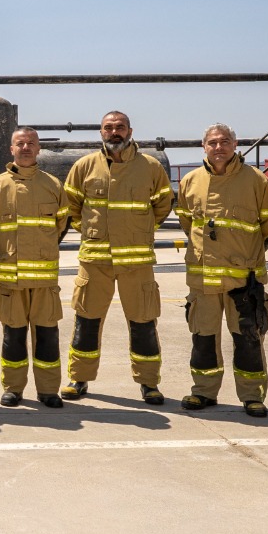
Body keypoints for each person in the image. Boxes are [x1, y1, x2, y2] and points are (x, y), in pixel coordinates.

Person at [61, 110, 175, 403]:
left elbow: (163, 204)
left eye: (120, 127)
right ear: (101, 132)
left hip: (136, 263)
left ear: (130, 131)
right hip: (95, 260)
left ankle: (149, 383)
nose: (115, 132)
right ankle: (79, 378)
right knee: (86, 321)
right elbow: (71, 204)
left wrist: (142, 230)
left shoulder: (149, 167)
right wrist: (87, 229)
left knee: (143, 322)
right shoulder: (84, 166)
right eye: (109, 127)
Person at [175, 123, 268, 414]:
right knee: (203, 339)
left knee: (248, 339)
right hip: (202, 280)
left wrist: (245, 252)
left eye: (224, 142)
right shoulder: (191, 181)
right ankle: (203, 392)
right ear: (204, 147)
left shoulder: (256, 181)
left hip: (242, 280)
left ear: (235, 145)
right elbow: (188, 222)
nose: (218, 147)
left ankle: (252, 396)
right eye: (212, 142)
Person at [0, 125, 69, 407]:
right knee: (13, 337)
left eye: (31, 143)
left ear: (39, 148)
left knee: (47, 336)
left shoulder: (52, 185)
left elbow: (62, 225)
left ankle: (47, 391)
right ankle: (13, 388)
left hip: (44, 280)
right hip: (10, 279)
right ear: (12, 149)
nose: (26, 147)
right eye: (20, 143)